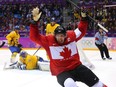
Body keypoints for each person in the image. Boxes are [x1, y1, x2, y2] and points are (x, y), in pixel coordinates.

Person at [30, 7, 107, 87]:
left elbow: (81, 30)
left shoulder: (71, 36)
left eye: (62, 35)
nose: (61, 38)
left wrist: (83, 18)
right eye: (58, 36)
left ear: (66, 35)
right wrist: (34, 22)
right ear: (54, 35)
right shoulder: (49, 41)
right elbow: (34, 37)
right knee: (70, 84)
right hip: (62, 72)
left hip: (77, 67)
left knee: (98, 84)